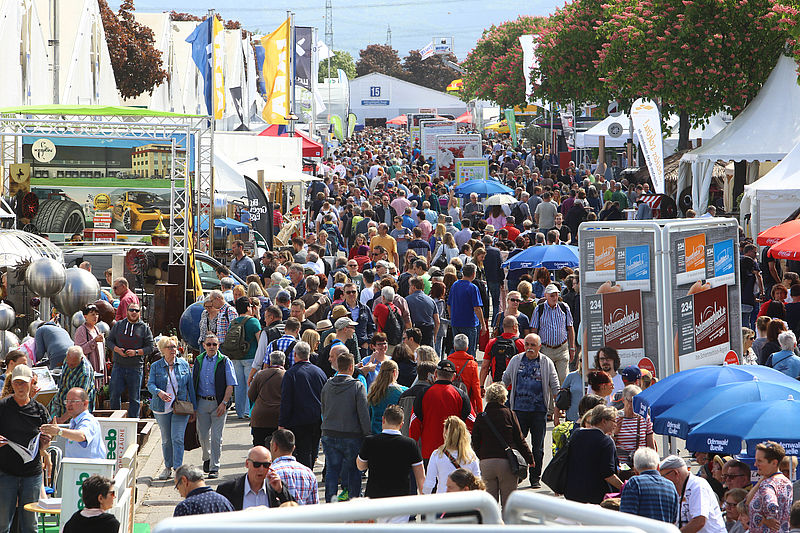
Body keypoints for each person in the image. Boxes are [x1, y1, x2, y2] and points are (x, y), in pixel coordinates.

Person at [502, 333, 559, 488]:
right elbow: (505, 380)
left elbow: (555, 386)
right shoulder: (516, 360)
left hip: (539, 412)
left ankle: (535, 478)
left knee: (537, 447)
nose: (529, 348)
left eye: (533, 345)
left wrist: (557, 411)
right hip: (518, 410)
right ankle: (518, 474)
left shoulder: (546, 362)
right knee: (517, 445)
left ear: (539, 347)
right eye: (527, 344)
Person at [0, 364, 52, 533]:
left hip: (32, 474)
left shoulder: (40, 410)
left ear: (32, 382)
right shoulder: (3, 407)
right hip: (6, 472)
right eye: (17, 383)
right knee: (2, 523)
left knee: (30, 524)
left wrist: (45, 442)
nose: (20, 387)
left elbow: (46, 444)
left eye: (24, 383)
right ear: (11, 384)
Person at [357, 404, 425, 521]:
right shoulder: (410, 444)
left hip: (374, 498)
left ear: (383, 419)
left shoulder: (370, 442)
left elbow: (360, 466)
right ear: (401, 424)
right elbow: (421, 477)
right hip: (400, 500)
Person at [472, 382, 533, 505]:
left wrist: (482, 456)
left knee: (490, 504)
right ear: (503, 397)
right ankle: (507, 522)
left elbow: (475, 441)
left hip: (487, 462)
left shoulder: (481, 416)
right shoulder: (509, 414)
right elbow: (520, 439)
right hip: (507, 463)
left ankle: (491, 523)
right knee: (508, 503)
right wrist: (530, 458)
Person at [320, 351, 370, 501]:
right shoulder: (357, 386)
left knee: (332, 470)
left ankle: (330, 500)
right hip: (351, 435)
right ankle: (354, 501)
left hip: (329, 432)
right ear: (351, 367)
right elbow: (363, 413)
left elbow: (323, 407)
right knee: (354, 470)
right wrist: (367, 435)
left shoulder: (327, 385)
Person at [146, 336, 195, 480]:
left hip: (181, 407)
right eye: (170, 347)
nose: (174, 350)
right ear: (162, 350)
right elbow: (150, 385)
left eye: (175, 347)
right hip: (162, 408)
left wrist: (194, 409)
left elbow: (190, 387)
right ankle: (167, 467)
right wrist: (159, 392)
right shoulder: (156, 366)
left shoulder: (184, 364)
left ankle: (177, 469)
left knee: (178, 438)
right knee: (167, 439)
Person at [410, 359, 476, 461]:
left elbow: (414, 423)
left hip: (429, 452)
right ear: (453, 376)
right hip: (454, 452)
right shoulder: (461, 395)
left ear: (435, 373)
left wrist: (414, 448)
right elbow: (471, 422)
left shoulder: (423, 394)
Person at [192, 334, 236, 479]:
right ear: (204, 345)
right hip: (201, 402)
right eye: (209, 344)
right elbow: (193, 382)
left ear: (218, 346)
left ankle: (214, 467)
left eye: (214, 345)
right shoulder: (198, 360)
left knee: (217, 437)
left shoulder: (224, 361)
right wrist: (193, 404)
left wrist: (224, 403)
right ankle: (207, 457)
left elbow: (230, 384)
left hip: (218, 403)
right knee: (203, 435)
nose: (212, 347)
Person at [278, 341, 327, 469]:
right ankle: (309, 475)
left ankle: (304, 479)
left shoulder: (291, 374)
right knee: (313, 450)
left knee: (302, 453)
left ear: (295, 355)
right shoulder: (319, 372)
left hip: (298, 421)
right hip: (316, 419)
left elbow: (286, 401)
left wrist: (282, 423)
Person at [564, 404, 622, 503]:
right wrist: (625, 487)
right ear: (604, 421)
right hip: (595, 496)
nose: (615, 425)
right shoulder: (606, 441)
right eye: (614, 421)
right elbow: (608, 474)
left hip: (573, 492)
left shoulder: (576, 434)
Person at [107, 301, 154, 418]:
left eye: (136, 310)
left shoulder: (144, 328)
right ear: (126, 311)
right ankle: (115, 421)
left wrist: (136, 352)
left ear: (139, 313)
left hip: (135, 367)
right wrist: (116, 349)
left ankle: (133, 422)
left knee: (134, 398)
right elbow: (109, 341)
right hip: (119, 366)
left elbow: (150, 347)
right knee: (114, 395)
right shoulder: (118, 325)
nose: (134, 312)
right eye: (131, 310)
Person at [660, 455, 727, 533]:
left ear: (675, 473)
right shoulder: (679, 489)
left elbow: (699, 521)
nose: (662, 480)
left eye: (663, 476)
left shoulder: (698, 485)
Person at [216, 445, 294, 510]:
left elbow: (293, 511)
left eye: (266, 465)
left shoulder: (276, 488)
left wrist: (280, 491)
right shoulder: (228, 489)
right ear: (247, 464)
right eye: (256, 465)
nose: (261, 469)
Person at [41, 387, 106, 459]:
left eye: (73, 401)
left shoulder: (88, 420)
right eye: (67, 401)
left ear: (85, 403)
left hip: (89, 468)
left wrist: (58, 431)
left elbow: (82, 436)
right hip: (77, 468)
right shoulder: (74, 421)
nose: (69, 404)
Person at [530, 283, 575, 386]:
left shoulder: (564, 307)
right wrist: (534, 348)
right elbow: (534, 329)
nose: (555, 298)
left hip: (562, 348)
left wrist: (572, 348)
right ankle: (550, 401)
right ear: (546, 295)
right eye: (552, 295)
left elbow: (570, 328)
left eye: (556, 295)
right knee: (547, 380)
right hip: (546, 349)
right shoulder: (539, 309)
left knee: (563, 378)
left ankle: (562, 401)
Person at [619, 447, 680, 523]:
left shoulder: (634, 483)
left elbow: (626, 518)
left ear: (635, 470)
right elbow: (674, 519)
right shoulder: (670, 486)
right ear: (658, 467)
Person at [423, 416, 480, 494]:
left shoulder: (437, 454)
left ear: (446, 433)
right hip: (465, 501)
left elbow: (429, 483)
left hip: (443, 499)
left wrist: (425, 499)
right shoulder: (471, 456)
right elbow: (477, 482)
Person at [227, 296, 262, 419]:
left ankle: (240, 411)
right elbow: (259, 340)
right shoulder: (253, 321)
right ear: (248, 307)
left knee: (239, 386)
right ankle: (248, 410)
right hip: (250, 357)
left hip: (236, 357)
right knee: (250, 384)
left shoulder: (234, 322)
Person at [748, 441, 793, 533]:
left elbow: (771, 505)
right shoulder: (787, 482)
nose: (755, 464)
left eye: (759, 461)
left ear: (774, 463)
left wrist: (766, 520)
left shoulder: (767, 484)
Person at [269, 428, 319, 505]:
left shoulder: (270, 473)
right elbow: (314, 507)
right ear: (293, 448)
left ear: (274, 446)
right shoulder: (309, 473)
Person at [447, 263, 486, 356]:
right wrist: (483, 324)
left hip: (456, 322)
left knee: (456, 349)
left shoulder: (455, 285)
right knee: (470, 351)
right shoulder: (473, 288)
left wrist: (452, 317)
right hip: (469, 323)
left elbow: (449, 304)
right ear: (473, 274)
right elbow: (477, 308)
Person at [248, 350, 285, 447]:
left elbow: (251, 395)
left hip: (260, 417)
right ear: (284, 362)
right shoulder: (287, 375)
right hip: (279, 417)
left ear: (270, 362)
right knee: (279, 448)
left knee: (259, 447)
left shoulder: (260, 374)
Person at [49, 346, 96, 422]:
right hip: (61, 404)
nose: (69, 366)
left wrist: (62, 419)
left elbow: (79, 401)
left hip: (77, 411)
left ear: (80, 359)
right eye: (68, 362)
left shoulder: (85, 373)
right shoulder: (69, 358)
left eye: (73, 365)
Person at [614, 385, 656, 466]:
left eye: (637, 402)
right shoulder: (615, 418)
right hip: (621, 465)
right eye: (631, 401)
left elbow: (650, 445)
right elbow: (608, 444)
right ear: (623, 400)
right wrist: (615, 433)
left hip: (640, 465)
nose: (634, 405)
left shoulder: (644, 418)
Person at [367, 360, 407, 434]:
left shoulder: (373, 390)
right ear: (395, 372)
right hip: (395, 433)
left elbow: (369, 414)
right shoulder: (403, 391)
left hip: (375, 433)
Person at [447, 333, 483, 414]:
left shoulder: (448, 362)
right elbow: (476, 389)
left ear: (454, 347)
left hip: (450, 402)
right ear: (467, 348)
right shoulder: (472, 364)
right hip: (467, 404)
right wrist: (480, 411)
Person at [73, 304, 106, 386]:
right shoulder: (81, 330)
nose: (95, 317)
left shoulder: (97, 329)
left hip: (99, 368)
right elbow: (80, 350)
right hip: (88, 369)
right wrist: (94, 341)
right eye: (92, 314)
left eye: (97, 314)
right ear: (85, 316)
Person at [405, 277, 440, 347]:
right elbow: (437, 321)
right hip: (428, 331)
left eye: (409, 286)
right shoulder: (431, 300)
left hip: (414, 332)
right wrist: (435, 335)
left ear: (413, 287)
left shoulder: (406, 300)